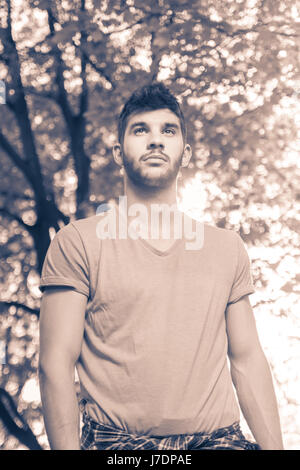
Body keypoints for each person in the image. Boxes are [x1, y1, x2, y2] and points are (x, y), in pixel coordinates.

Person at [38, 83, 284, 450]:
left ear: (185, 154)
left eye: (168, 131)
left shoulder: (226, 248)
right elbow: (55, 363)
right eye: (141, 130)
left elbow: (247, 360)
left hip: (217, 441)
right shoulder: (77, 243)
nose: (155, 141)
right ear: (119, 153)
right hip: (118, 444)